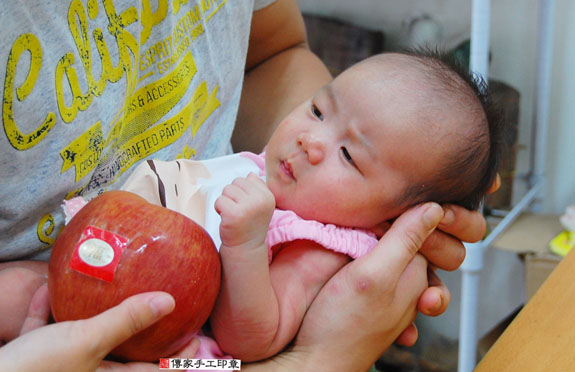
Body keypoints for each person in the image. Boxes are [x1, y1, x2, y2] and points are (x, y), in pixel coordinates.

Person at [0, 0, 494, 369]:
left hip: (193, 356)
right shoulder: (281, 180)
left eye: (348, 155)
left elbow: (251, 340)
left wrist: (246, 245)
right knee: (28, 289)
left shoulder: (318, 247)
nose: (310, 140)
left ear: (391, 219)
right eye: (319, 110)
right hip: (119, 281)